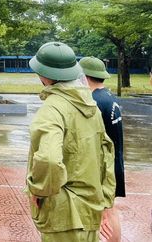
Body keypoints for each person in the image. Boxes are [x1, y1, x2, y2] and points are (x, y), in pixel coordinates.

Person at [26, 42, 116, 242]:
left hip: (63, 216)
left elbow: (48, 159)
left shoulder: (52, 109)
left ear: (44, 75)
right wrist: (106, 199)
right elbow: (107, 155)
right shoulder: (90, 106)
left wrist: (39, 191)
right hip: (91, 212)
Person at [79, 56, 125, 242]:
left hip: (103, 166)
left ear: (84, 76)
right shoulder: (108, 97)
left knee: (101, 215)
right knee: (110, 210)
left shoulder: (93, 102)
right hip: (116, 163)